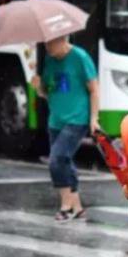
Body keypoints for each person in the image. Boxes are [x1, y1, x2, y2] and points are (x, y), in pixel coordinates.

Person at [31, 35, 100, 221]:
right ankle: (77, 208)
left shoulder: (80, 57)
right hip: (55, 120)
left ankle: (66, 206)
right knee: (65, 161)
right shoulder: (49, 60)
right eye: (45, 43)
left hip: (77, 119)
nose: (48, 47)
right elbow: (48, 92)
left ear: (63, 39)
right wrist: (38, 88)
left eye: (51, 43)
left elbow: (94, 89)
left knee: (57, 159)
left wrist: (93, 118)